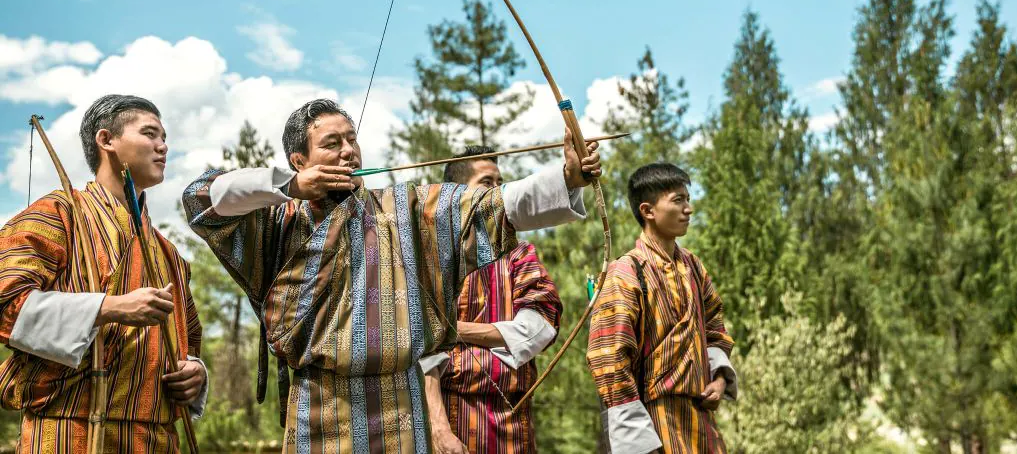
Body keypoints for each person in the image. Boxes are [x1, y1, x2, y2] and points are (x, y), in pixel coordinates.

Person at [182, 99, 600, 453]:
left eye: (352, 140)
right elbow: (200, 199)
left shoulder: (405, 210)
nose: (349, 152)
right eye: (332, 144)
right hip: (319, 409)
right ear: (299, 161)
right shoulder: (278, 221)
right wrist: (289, 187)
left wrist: (567, 178)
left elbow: (495, 205)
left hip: (402, 407)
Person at [0, 94, 208, 453]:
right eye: (150, 134)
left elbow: (188, 337)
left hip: (156, 439)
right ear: (106, 140)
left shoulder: (168, 254)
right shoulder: (58, 214)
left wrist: (195, 373)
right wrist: (109, 307)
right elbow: (6, 303)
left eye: (164, 137)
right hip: (67, 432)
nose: (163, 146)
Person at [587, 162, 737, 454]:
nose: (688, 209)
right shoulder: (626, 272)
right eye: (678, 200)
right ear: (648, 211)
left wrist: (719, 379)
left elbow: (715, 329)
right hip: (652, 423)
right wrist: (639, 442)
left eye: (688, 199)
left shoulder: (694, 267)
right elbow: (609, 358)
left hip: (701, 424)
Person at [421, 146, 564, 454]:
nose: (498, 191)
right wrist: (439, 427)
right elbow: (419, 347)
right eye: (487, 183)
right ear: (456, 194)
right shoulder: (431, 254)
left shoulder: (519, 253)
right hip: (450, 412)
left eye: (501, 183)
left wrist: (453, 330)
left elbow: (540, 326)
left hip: (514, 419)